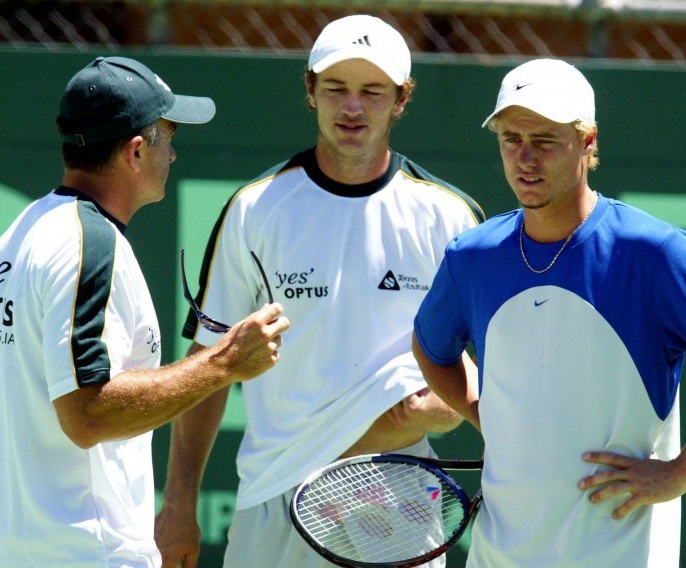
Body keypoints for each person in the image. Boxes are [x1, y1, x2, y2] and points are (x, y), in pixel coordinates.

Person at [411, 58, 686, 567]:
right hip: (498, 555)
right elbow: (431, 347)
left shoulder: (651, 250)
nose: (525, 158)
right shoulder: (470, 256)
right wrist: (484, 413)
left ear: (587, 141)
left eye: (544, 140)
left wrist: (683, 470)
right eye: (511, 138)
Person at [155, 14, 485, 568]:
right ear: (310, 91)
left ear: (401, 99)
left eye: (371, 92)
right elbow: (210, 366)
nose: (351, 107)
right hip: (273, 492)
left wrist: (445, 406)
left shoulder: (450, 216)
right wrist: (179, 504)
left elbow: (492, 366)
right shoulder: (254, 209)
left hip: (399, 490)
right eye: (335, 89)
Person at [0, 56, 289, 568]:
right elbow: (87, 413)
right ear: (137, 152)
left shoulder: (24, 230)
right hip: (80, 553)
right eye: (169, 136)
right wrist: (225, 362)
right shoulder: (89, 244)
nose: (175, 153)